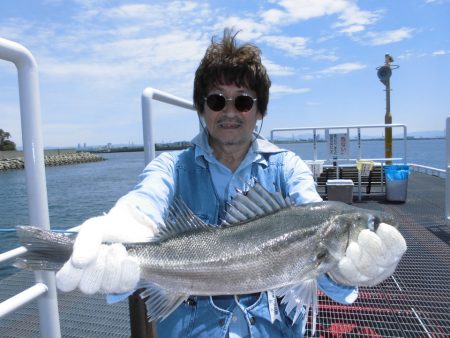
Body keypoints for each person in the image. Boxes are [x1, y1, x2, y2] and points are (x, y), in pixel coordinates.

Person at [56, 29, 406, 337]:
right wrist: (126, 225)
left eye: (242, 101)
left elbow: (309, 209)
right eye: (216, 100)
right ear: (202, 108)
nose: (229, 111)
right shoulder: (170, 168)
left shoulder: (288, 169)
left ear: (259, 110)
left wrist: (346, 274)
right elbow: (146, 201)